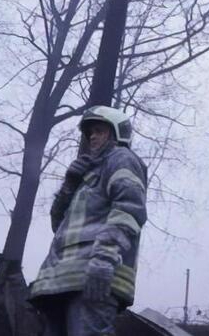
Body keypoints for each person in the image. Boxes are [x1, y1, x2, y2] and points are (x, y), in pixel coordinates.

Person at [29, 106, 147, 336]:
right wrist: (70, 184)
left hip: (94, 276)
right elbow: (58, 226)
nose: (92, 136)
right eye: (90, 132)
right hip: (62, 280)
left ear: (116, 133)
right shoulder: (87, 174)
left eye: (99, 131)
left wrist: (103, 260)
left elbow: (128, 210)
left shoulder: (121, 159)